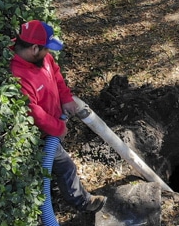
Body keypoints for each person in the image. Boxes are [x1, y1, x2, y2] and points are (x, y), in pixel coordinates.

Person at [10, 20, 107, 213]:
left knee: (58, 166)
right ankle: (82, 202)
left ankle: (54, 185)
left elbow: (55, 74)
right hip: (43, 136)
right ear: (34, 48)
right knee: (66, 167)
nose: (50, 54)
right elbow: (35, 114)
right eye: (47, 49)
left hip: (54, 122)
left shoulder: (41, 58)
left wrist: (66, 98)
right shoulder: (18, 77)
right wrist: (58, 128)